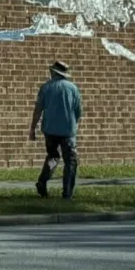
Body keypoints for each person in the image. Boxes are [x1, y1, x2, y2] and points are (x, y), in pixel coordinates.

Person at [29, 60, 83, 199]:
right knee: (70, 161)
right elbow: (78, 111)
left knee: (53, 156)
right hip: (68, 130)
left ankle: (42, 181)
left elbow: (38, 110)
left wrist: (32, 128)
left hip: (50, 129)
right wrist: (74, 124)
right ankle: (67, 193)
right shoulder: (73, 88)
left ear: (54, 72)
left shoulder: (45, 88)